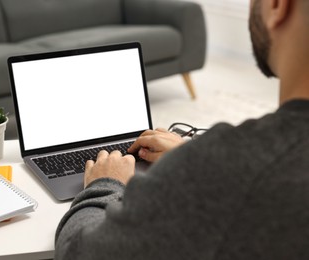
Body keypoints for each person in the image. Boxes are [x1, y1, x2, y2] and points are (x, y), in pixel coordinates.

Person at [55, 0, 309, 259]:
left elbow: (77, 253)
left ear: (278, 5)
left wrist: (104, 183)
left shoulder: (232, 169)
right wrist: (202, 155)